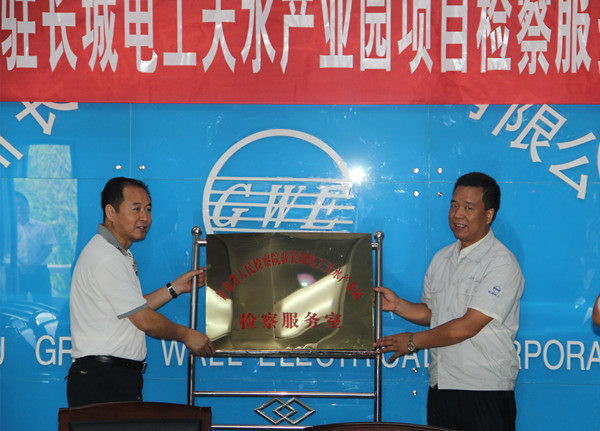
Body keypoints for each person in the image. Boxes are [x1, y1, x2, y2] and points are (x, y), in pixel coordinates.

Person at [374, 172, 524, 431]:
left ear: (489, 215)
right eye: (454, 205)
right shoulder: (441, 258)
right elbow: (434, 314)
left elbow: (467, 326)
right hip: (442, 385)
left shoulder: (501, 262)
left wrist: (412, 341)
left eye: (468, 207)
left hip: (484, 388)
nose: (457, 215)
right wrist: (397, 305)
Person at [67, 177, 215, 407]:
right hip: (103, 380)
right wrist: (186, 335)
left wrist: (175, 288)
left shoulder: (117, 253)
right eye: (136, 209)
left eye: (148, 209)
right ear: (111, 212)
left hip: (112, 377)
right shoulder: (106, 257)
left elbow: (133, 307)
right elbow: (144, 320)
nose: (145, 217)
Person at [15, 191, 57, 303]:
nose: (19, 208)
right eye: (16, 205)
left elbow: (48, 248)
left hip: (40, 272)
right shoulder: (7, 231)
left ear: (28, 206)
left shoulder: (42, 227)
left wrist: (32, 265)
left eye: (22, 204)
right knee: (18, 307)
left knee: (44, 305)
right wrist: (21, 265)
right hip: (17, 273)